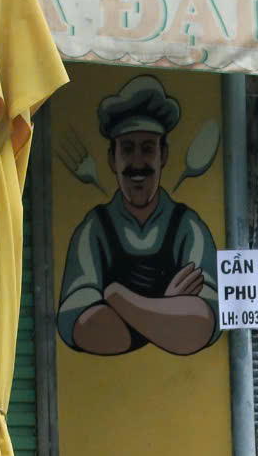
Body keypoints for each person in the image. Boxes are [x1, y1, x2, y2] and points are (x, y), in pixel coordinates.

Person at [57, 75, 221, 357]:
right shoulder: (94, 229)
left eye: (147, 148)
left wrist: (115, 297)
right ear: (112, 159)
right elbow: (85, 327)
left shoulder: (188, 227)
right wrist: (166, 307)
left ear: (163, 155)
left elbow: (201, 325)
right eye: (127, 148)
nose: (137, 163)